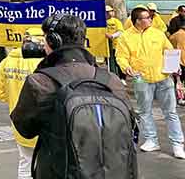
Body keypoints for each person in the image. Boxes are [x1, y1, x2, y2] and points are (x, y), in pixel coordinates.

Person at [12, 14, 135, 178]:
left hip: (60, 172)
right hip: (115, 171)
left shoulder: (41, 82)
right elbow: (132, 123)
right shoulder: (110, 80)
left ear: (53, 41)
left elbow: (25, 129)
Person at [117, 5, 185, 158]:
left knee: (171, 112)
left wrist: (176, 68)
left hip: (164, 78)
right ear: (137, 21)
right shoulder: (125, 37)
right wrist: (126, 67)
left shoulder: (158, 34)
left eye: (150, 17)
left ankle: (177, 144)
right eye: (146, 18)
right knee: (144, 112)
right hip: (142, 79)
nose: (150, 20)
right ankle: (151, 140)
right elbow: (121, 56)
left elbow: (169, 52)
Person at [0, 32, 43, 179]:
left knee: (25, 163)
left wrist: (14, 99)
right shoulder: (43, 63)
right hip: (42, 123)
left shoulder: (6, 62)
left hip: (18, 121)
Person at [105, 5, 125, 81]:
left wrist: (112, 36)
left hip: (116, 45)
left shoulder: (116, 21)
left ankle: (122, 78)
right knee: (109, 63)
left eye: (110, 11)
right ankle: (112, 77)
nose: (109, 13)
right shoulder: (102, 22)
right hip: (106, 47)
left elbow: (120, 31)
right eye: (107, 12)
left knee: (119, 62)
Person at [169, 23, 185, 105]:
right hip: (182, 60)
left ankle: (180, 98)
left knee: (178, 81)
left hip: (177, 61)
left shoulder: (175, 35)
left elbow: (170, 44)